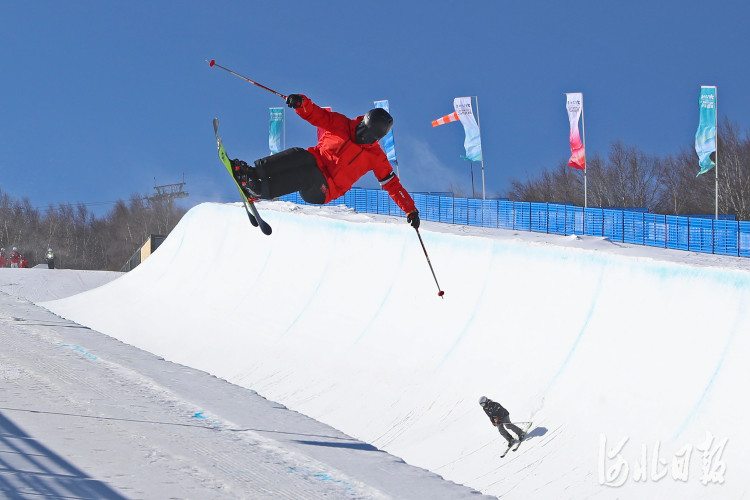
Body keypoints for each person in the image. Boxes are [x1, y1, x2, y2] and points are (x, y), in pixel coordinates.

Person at [231, 94, 420, 228]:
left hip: (324, 189)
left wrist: (410, 210)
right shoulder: (341, 123)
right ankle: (253, 174)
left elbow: (393, 185)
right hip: (314, 162)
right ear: (362, 122)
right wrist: (301, 103)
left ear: (376, 139)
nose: (362, 138)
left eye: (369, 138)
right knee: (299, 154)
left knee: (309, 174)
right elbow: (316, 114)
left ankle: (260, 190)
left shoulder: (376, 157)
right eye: (362, 132)